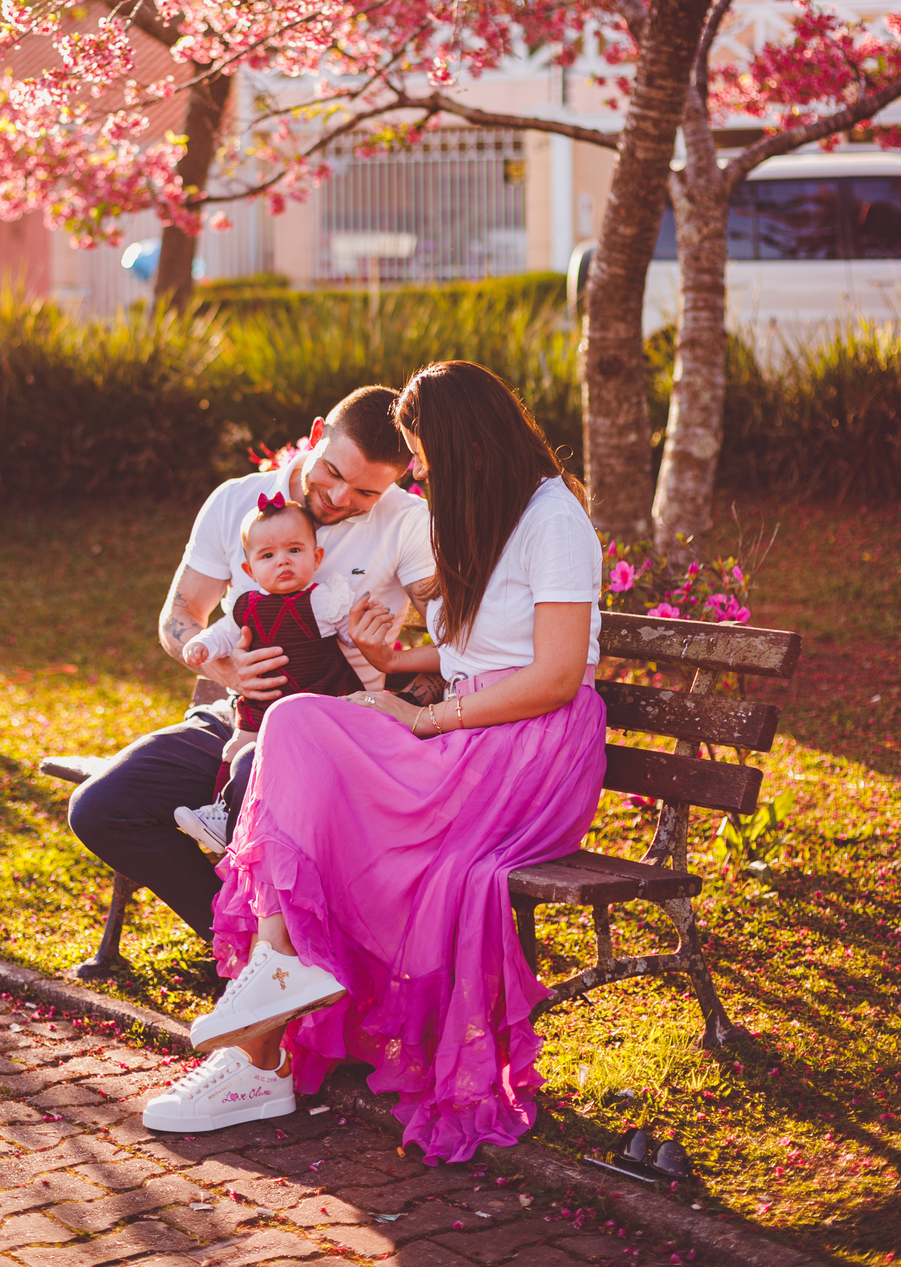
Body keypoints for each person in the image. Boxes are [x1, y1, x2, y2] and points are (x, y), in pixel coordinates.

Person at [142, 360, 607, 1160]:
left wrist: (424, 719)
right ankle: (276, 980)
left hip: (528, 751)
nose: (418, 474)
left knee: (332, 800)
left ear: (465, 443)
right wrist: (393, 663)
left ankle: (257, 1057)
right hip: (475, 729)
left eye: (422, 456)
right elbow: (480, 653)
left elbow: (558, 676)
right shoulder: (494, 511)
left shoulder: (554, 519)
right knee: (294, 724)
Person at [67, 385, 435, 945]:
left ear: (398, 480)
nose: (339, 497)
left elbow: (454, 638)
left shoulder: (407, 522)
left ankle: (284, 959)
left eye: (365, 491)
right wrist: (225, 672)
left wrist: (397, 673)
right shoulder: (234, 501)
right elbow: (180, 614)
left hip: (338, 732)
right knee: (100, 808)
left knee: (249, 784)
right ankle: (242, 948)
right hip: (241, 718)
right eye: (332, 472)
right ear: (316, 435)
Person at [174, 493, 361, 856]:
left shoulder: (323, 600)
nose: (283, 561)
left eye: (294, 550)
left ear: (316, 557)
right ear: (250, 571)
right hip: (263, 704)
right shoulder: (245, 606)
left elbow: (350, 635)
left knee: (303, 761)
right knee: (236, 750)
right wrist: (202, 645)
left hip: (318, 700)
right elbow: (222, 633)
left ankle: (294, 824)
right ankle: (223, 816)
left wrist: (363, 632)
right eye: (268, 556)